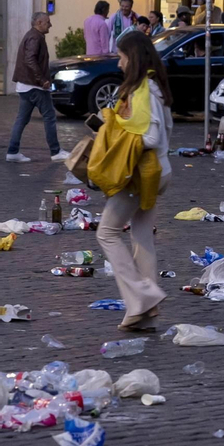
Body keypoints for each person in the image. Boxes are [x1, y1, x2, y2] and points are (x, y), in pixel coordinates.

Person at [95, 29, 173, 333]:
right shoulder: (156, 88)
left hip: (139, 175)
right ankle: (147, 313)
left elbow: (150, 136)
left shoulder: (143, 90)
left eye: (121, 57)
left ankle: (141, 297)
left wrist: (117, 133)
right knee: (141, 237)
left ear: (134, 58)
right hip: (158, 172)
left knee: (107, 233)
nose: (118, 64)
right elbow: (166, 131)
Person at [6, 12, 67, 163]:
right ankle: (56, 151)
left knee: (22, 119)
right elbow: (30, 59)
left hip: (26, 85)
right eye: (48, 22)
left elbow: (29, 59)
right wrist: (42, 80)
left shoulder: (33, 35)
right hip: (35, 86)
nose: (50, 25)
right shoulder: (35, 37)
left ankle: (12, 151)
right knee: (49, 116)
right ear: (39, 23)